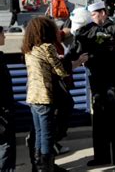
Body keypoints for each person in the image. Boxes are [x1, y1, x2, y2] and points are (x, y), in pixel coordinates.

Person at [67, 1, 115, 171]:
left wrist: (92, 55)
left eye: (95, 14)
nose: (93, 17)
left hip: (113, 83)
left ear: (103, 12)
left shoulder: (114, 29)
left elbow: (110, 48)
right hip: (97, 83)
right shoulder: (86, 30)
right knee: (99, 122)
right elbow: (76, 48)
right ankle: (102, 156)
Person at [22, 17, 70, 172]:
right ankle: (46, 168)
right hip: (44, 97)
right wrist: (64, 60)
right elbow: (61, 71)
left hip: (32, 97)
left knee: (38, 134)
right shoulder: (47, 47)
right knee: (47, 136)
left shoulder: (29, 49)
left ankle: (38, 167)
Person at [0, 26, 16, 172]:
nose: (4, 37)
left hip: (5, 109)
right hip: (2, 112)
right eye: (2, 34)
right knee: (5, 144)